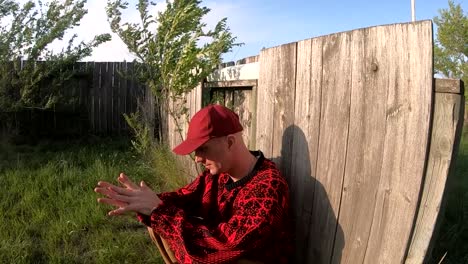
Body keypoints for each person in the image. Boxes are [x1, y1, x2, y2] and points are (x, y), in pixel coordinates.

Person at [94, 104, 293, 264]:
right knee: (157, 223)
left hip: (247, 257)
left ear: (230, 142)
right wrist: (146, 201)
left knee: (165, 221)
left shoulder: (268, 187)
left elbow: (227, 244)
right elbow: (185, 196)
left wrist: (159, 210)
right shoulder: (217, 174)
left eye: (203, 149)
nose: (197, 158)